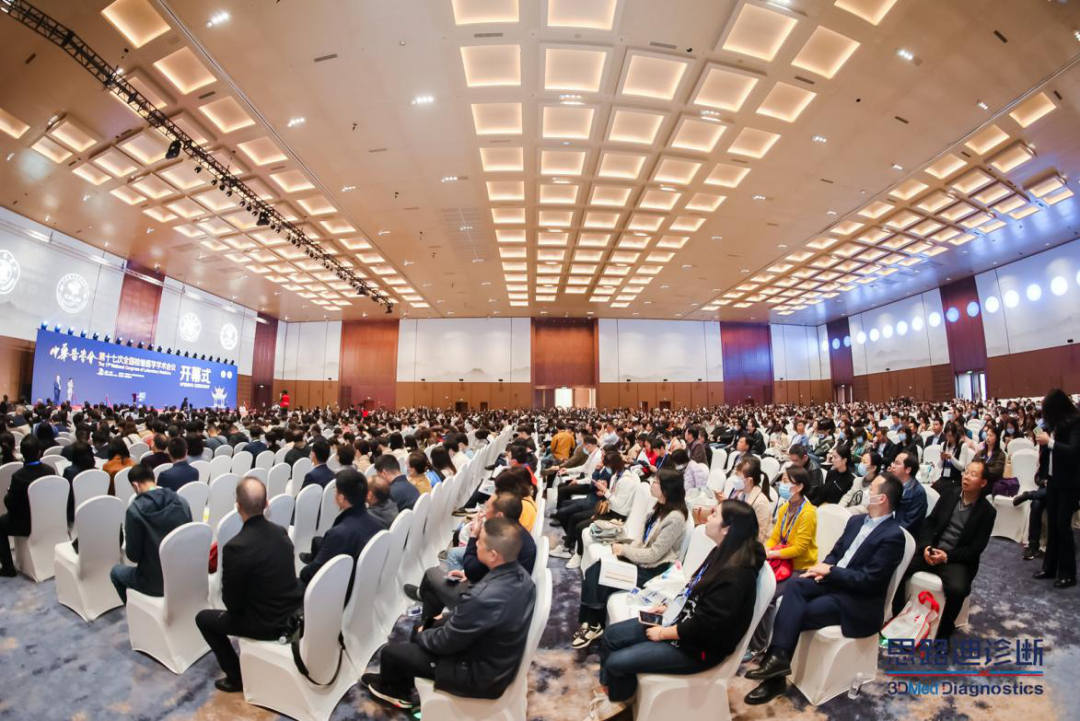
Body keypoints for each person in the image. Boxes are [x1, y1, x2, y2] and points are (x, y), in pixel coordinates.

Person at [586, 500, 765, 721]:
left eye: (714, 514)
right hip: (681, 621)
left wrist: (664, 633)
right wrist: (670, 608)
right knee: (612, 636)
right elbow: (695, 591)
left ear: (727, 529)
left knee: (616, 663)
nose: (707, 517)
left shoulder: (737, 575)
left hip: (698, 648)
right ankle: (615, 694)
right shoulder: (722, 552)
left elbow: (706, 626)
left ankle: (620, 705)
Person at [744, 473, 907, 705]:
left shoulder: (893, 536)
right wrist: (822, 569)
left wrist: (830, 571)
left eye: (872, 489)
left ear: (882, 499)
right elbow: (836, 553)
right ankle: (778, 660)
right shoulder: (856, 521)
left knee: (798, 612)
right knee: (796, 584)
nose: (867, 491)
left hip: (855, 600)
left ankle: (774, 679)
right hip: (833, 582)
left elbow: (869, 580)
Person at [362, 517, 536, 710]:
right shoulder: (524, 579)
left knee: (391, 653)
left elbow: (444, 642)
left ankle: (396, 692)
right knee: (425, 625)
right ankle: (404, 680)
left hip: (478, 675)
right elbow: (478, 619)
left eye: (480, 541)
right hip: (495, 658)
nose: (476, 544)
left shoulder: (483, 597)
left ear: (493, 555)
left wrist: (423, 634)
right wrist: (440, 621)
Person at [196, 478, 303, 693]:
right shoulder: (280, 531)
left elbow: (232, 604)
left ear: (238, 507)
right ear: (266, 504)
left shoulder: (236, 547)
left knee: (203, 618)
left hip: (266, 624)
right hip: (292, 612)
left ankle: (235, 677)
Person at [572, 469, 689, 649]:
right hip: (642, 563)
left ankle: (593, 624)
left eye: (656, 482)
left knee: (600, 573)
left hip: (653, 571)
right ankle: (592, 623)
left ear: (666, 489)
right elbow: (643, 541)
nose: (651, 483)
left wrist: (625, 550)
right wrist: (625, 550)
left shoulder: (675, 518)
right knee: (596, 569)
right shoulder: (659, 508)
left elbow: (653, 555)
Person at [893, 461, 995, 639]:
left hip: (955, 559)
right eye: (966, 472)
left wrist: (947, 557)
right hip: (933, 549)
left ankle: (943, 633)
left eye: (973, 474)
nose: (966, 477)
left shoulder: (987, 511)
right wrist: (926, 546)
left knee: (958, 590)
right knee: (898, 567)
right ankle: (898, 616)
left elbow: (976, 547)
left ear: (983, 482)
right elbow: (930, 522)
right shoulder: (950, 494)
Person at [405, 491, 535, 629]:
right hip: (500, 595)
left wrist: (474, 536)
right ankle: (428, 626)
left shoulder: (503, 541)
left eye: (487, 507)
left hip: (488, 605)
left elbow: (472, 570)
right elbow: (481, 570)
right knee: (435, 590)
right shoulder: (518, 535)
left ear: (499, 515)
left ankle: (427, 625)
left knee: (431, 575)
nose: (483, 511)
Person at [747, 465, 818, 657]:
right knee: (751, 582)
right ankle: (746, 635)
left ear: (799, 486)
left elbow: (799, 548)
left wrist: (772, 554)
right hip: (781, 560)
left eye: (786, 481)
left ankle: (758, 645)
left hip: (799, 567)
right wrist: (767, 549)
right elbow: (775, 536)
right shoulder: (785, 507)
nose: (781, 485)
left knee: (768, 593)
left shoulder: (808, 513)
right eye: (782, 480)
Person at [109, 464, 192, 602]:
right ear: (154, 479)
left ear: (135, 486)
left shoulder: (134, 511)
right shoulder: (181, 500)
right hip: (182, 574)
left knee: (115, 572)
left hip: (154, 582)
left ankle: (134, 609)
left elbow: (133, 556)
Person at [298, 468, 382, 591]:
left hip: (339, 588)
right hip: (362, 583)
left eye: (335, 491)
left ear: (341, 498)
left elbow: (314, 571)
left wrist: (303, 573)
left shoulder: (339, 534)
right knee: (317, 542)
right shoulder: (377, 525)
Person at [1033, 389, 1080, 588]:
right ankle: (1050, 568)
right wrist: (1043, 475)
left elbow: (1074, 451)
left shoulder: (1075, 423)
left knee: (1063, 527)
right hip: (1052, 480)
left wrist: (1050, 442)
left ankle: (1068, 573)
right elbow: (1048, 455)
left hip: (1069, 483)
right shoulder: (1052, 424)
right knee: (1052, 526)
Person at [0, 436, 54, 577]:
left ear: (22, 453)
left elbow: (11, 504)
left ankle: (7, 568)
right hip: (49, 518)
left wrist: (8, 494)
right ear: (39, 452)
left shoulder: (18, 476)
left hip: (25, 524)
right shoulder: (50, 471)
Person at [715, 456, 772, 544]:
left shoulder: (761, 503)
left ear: (749, 480)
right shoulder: (740, 493)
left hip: (749, 546)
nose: (735, 478)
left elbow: (759, 537)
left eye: (738, 476)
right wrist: (725, 504)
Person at [890, 451, 927, 536]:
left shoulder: (918, 493)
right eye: (894, 462)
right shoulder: (892, 484)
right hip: (889, 527)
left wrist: (888, 532)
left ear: (908, 470)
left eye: (897, 463)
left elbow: (909, 524)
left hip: (902, 535)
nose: (893, 466)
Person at [62, 440, 97, 523]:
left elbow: (66, 497)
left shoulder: (69, 472)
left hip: (74, 515)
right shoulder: (98, 472)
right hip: (95, 512)